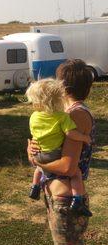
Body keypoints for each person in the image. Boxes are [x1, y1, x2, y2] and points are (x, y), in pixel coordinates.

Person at [27, 59, 95, 245]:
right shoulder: (61, 112)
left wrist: (37, 161)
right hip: (58, 195)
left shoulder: (76, 115)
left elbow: (67, 167)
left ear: (62, 86)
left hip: (65, 200)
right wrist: (33, 151)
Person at [26, 78, 92, 216]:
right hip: (53, 154)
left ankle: (35, 187)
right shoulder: (62, 117)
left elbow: (35, 136)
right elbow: (71, 133)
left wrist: (32, 152)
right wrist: (84, 137)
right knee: (76, 174)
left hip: (39, 153)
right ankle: (77, 200)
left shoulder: (33, 117)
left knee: (38, 169)